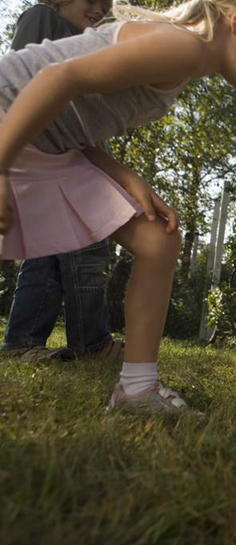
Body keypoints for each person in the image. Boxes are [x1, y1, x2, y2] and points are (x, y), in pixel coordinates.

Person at [0, 0, 236, 412]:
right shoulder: (183, 48)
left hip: (52, 143)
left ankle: (137, 389)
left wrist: (126, 178)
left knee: (158, 240)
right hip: (10, 115)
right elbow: (58, 77)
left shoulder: (185, 62)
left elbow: (77, 124)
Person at [2, 0, 123, 365]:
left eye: (107, 5)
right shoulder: (43, 17)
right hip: (50, 153)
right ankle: (92, 342)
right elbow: (22, 84)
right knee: (86, 245)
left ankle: (23, 342)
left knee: (50, 250)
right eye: (93, 0)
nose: (100, 9)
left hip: (72, 152)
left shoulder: (85, 41)